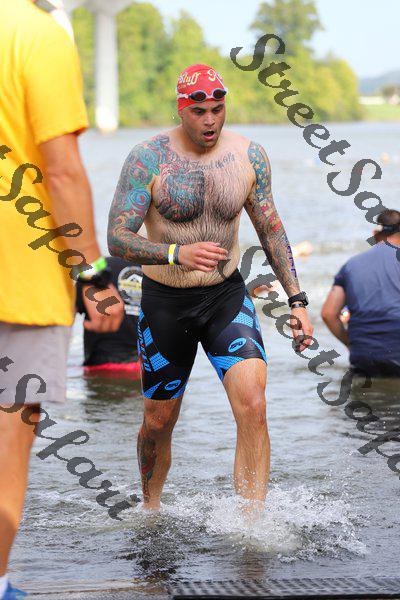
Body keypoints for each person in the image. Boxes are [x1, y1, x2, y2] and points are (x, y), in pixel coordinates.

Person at [108, 63, 313, 511]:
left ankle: (252, 522)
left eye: (218, 110)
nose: (210, 120)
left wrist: (297, 300)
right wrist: (174, 253)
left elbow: (271, 229)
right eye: (199, 111)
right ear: (181, 109)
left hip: (225, 296)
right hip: (165, 302)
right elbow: (117, 238)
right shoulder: (149, 158)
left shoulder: (249, 156)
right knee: (158, 423)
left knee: (253, 404)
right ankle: (151, 508)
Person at [0, 2, 123, 598]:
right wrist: (94, 276)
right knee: (7, 443)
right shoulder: (36, 34)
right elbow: (63, 173)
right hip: (19, 278)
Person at [321, 209, 400, 377]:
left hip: (363, 356)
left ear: (375, 233)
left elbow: (328, 314)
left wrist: (351, 343)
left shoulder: (351, 265)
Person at [76, 257, 142, 377]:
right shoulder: (156, 272)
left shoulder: (95, 272)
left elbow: (68, 313)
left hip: (100, 368)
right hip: (145, 368)